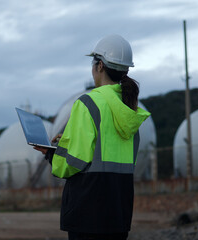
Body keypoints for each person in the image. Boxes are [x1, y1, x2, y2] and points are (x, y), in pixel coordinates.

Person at [34, 34, 151, 240]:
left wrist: (52, 154)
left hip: (87, 214)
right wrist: (71, 138)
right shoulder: (130, 108)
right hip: (119, 213)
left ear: (99, 66)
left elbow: (73, 162)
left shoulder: (88, 103)